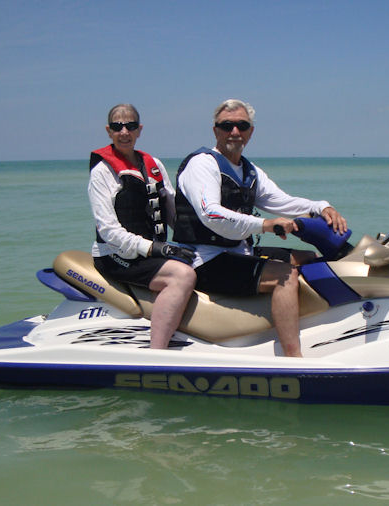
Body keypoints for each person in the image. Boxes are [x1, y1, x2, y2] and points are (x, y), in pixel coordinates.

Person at [173, 99, 347, 357]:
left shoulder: (249, 171)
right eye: (227, 126)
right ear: (215, 130)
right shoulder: (202, 164)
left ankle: (325, 328)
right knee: (285, 276)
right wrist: (264, 225)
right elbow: (211, 214)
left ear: (251, 131)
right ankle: (293, 359)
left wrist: (322, 207)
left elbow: (283, 202)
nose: (235, 132)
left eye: (242, 126)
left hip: (237, 251)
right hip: (204, 259)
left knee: (309, 258)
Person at [88, 103, 196, 349]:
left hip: (150, 253)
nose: (124, 132)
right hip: (115, 255)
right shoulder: (102, 172)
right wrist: (154, 248)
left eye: (130, 126)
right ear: (108, 131)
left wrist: (202, 238)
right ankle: (157, 353)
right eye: (117, 126)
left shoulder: (153, 164)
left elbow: (172, 211)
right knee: (182, 276)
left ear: (139, 130)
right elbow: (108, 230)